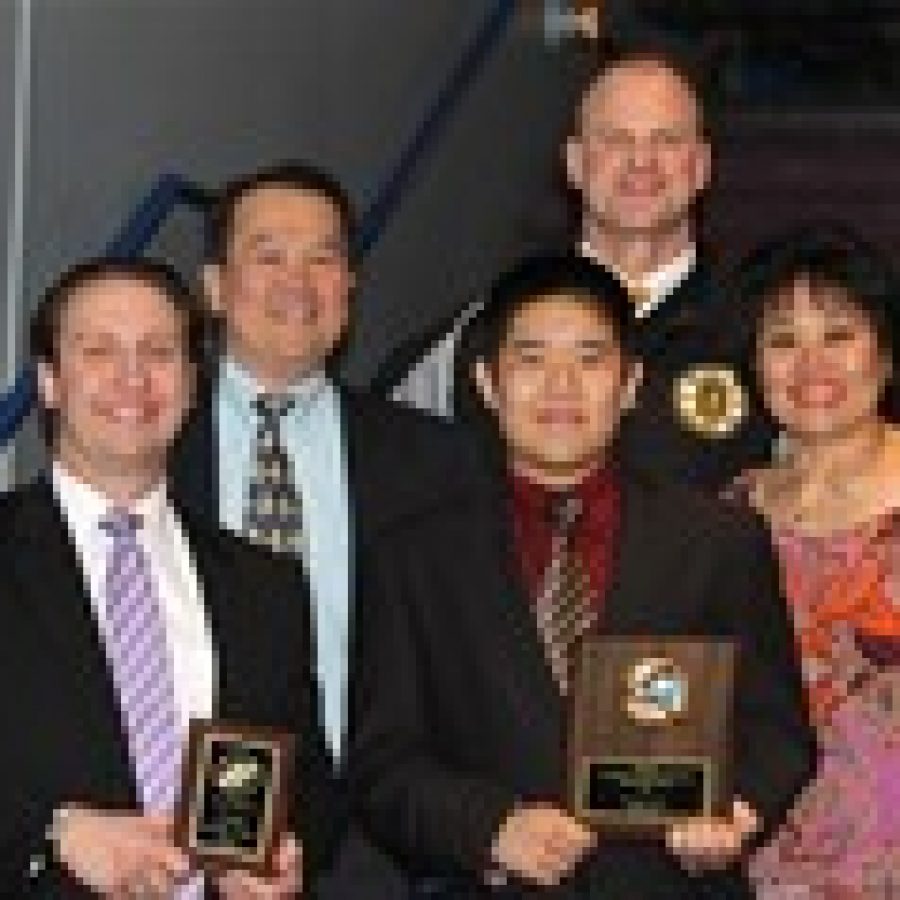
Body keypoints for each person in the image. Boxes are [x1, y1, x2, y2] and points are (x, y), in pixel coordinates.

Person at [350, 254, 815, 899]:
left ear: (629, 387)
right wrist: (490, 828)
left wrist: (738, 812)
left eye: (590, 358)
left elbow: (778, 732)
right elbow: (382, 764)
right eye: (532, 358)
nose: (561, 384)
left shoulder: (719, 539)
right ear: (487, 384)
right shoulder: (414, 559)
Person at [168, 162, 487, 897]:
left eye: (324, 258)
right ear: (214, 287)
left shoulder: (438, 462)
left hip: (378, 845)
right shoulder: (148, 451)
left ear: (350, 286)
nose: (298, 281)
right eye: (269, 256)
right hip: (181, 839)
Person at [1, 259, 336, 898]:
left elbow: (309, 780)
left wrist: (290, 850)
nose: (133, 377)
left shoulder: (264, 586)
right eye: (100, 351)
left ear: (189, 383)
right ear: (48, 381)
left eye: (158, 352)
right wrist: (54, 834)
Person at [385, 44, 773, 490]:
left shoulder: (761, 333)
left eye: (666, 140)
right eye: (615, 140)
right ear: (574, 163)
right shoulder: (480, 334)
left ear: (701, 165)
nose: (641, 162)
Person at [723, 224, 900, 898]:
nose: (811, 366)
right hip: (756, 863)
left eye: (838, 336)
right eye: (782, 341)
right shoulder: (728, 514)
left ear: (884, 353)